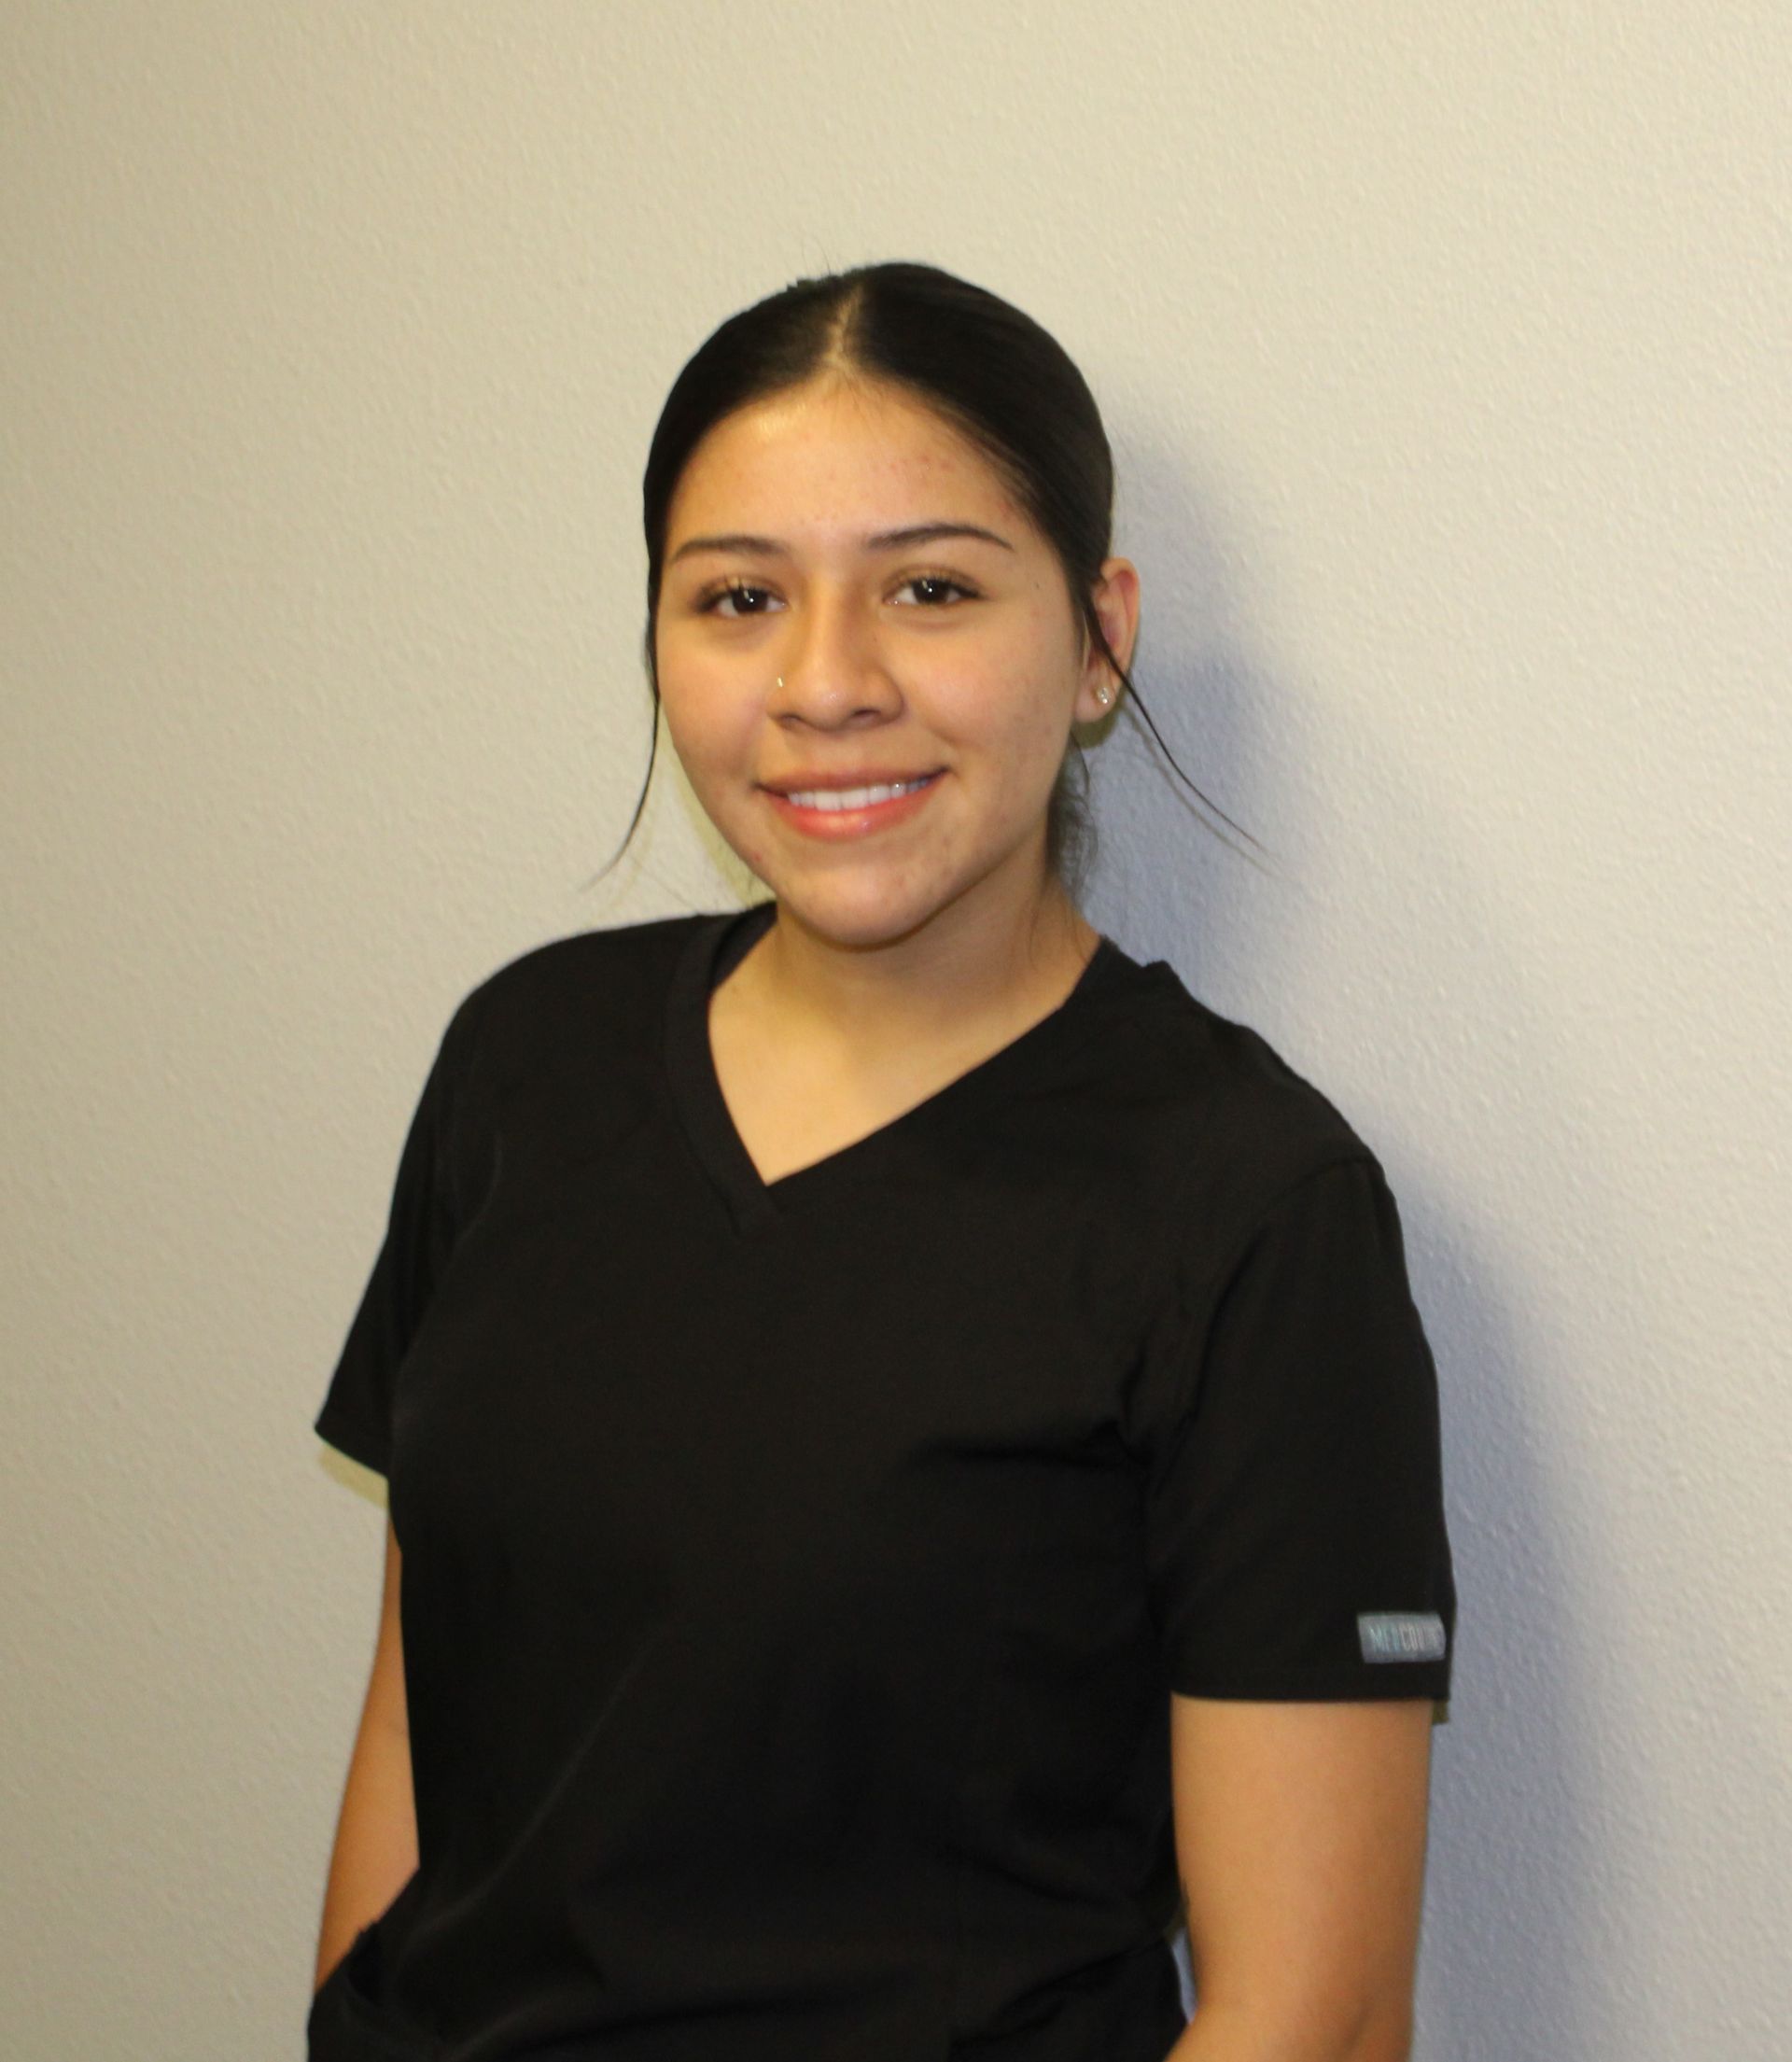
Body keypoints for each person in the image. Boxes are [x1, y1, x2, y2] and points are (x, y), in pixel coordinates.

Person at [306, 260, 1457, 2062]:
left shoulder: (1252, 1213)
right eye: (740, 596)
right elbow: (424, 1735)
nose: (824, 684)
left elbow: (1313, 2014)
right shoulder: (520, 1064)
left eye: (929, 587)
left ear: (1097, 639)